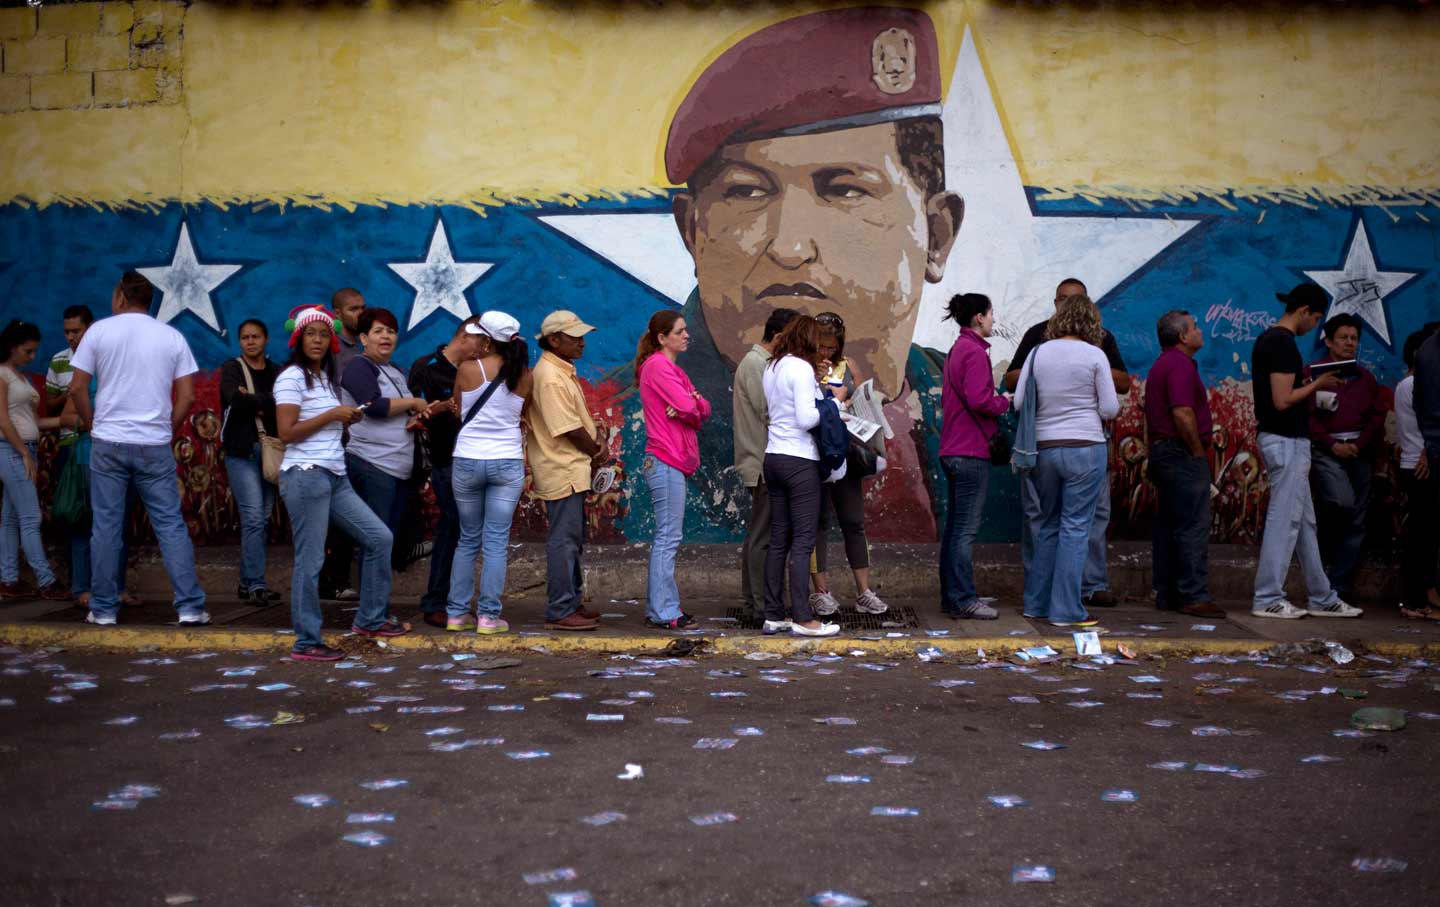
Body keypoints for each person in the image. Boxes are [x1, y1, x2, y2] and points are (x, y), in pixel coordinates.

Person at [618, 6, 964, 544]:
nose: (791, 246)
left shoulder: (962, 405)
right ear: (692, 231)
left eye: (845, 188)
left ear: (936, 236)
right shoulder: (618, 431)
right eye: (747, 191)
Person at [70, 271, 208, 627]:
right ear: (151, 300)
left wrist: (92, 424)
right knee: (171, 526)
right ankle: (190, 607)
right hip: (154, 444)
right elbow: (188, 396)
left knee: (106, 527)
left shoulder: (98, 332)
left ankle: (102, 610)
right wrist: (167, 428)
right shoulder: (172, 336)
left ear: (119, 296)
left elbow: (77, 388)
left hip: (108, 442)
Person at [274, 305, 406, 661]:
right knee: (311, 559)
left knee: (379, 537)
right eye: (310, 335)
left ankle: (371, 620)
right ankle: (306, 641)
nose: (317, 341)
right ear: (297, 339)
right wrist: (333, 414)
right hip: (306, 476)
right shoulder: (291, 378)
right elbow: (286, 433)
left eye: (323, 335)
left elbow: (323, 425)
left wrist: (344, 421)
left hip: (335, 475)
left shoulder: (326, 380)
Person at [1005, 277, 1130, 610]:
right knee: (1076, 527)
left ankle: (1036, 604)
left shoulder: (1036, 353)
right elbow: (1109, 408)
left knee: (1045, 525)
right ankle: (1067, 608)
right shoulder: (1095, 354)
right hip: (1084, 446)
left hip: (1042, 448)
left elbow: (1018, 403)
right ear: (1090, 317)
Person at [1250, 283, 1361, 619]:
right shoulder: (1282, 343)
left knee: (1304, 524)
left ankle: (1322, 596)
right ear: (1303, 312)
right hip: (1285, 441)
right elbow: (1282, 400)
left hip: (1287, 441)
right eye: (1315, 318)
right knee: (1285, 521)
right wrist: (1318, 384)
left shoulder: (1271, 340)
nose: (1316, 325)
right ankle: (1268, 596)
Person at [339, 308, 441, 579]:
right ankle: (372, 615)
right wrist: (413, 402)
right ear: (363, 338)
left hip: (398, 468)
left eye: (391, 331)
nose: (386, 336)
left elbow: (397, 411)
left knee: (387, 539)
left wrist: (418, 414)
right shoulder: (359, 366)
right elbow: (373, 406)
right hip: (373, 465)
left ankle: (377, 611)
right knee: (375, 541)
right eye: (378, 331)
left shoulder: (394, 370)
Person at [447, 313, 530, 635]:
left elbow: (458, 408)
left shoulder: (467, 369)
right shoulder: (525, 375)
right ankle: (488, 618)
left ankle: (456, 614)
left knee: (467, 539)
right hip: (507, 461)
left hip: (467, 459)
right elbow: (522, 413)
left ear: (485, 340)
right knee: (495, 542)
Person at [528, 310, 608, 631]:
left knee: (572, 539)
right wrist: (596, 451)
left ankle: (570, 602)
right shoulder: (549, 376)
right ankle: (561, 608)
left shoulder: (561, 371)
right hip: (562, 467)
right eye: (574, 336)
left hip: (571, 468)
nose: (582, 342)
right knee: (564, 540)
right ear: (553, 340)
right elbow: (568, 428)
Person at [761, 316, 840, 638]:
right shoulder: (802, 369)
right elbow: (808, 419)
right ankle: (803, 618)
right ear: (809, 341)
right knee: (803, 541)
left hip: (773, 457)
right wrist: (834, 405)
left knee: (778, 539)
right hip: (799, 460)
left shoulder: (773, 366)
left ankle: (773, 614)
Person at [808, 312, 889, 617]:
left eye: (832, 347)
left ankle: (864, 591)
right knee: (818, 524)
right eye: (822, 346)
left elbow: (860, 401)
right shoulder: (804, 368)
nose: (827, 352)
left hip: (847, 454)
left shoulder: (849, 365)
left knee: (853, 522)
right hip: (816, 455)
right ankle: (821, 592)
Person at [1144, 310, 1223, 619]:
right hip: (1181, 454)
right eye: (1195, 327)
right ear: (1183, 336)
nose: (1200, 331)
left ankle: (1169, 593)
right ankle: (1194, 595)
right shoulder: (1178, 366)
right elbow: (1182, 413)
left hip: (1165, 454)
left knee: (1169, 526)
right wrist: (1197, 453)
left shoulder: (1163, 365)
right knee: (1192, 525)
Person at [407, 317, 485, 629]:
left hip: (473, 458)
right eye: (482, 341)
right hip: (444, 461)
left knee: (465, 532)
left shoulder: (477, 371)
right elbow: (415, 414)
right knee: (453, 528)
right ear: (467, 336)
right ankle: (437, 601)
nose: (485, 349)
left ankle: (456, 599)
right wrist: (440, 407)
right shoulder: (426, 367)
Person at [637, 310, 711, 631]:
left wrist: (690, 404)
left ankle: (664, 609)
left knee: (668, 536)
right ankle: (665, 611)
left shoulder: (673, 370)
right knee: (668, 537)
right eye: (679, 332)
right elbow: (686, 407)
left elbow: (701, 408)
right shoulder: (657, 367)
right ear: (662, 338)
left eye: (685, 330)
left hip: (672, 460)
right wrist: (689, 406)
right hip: (665, 459)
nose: (686, 335)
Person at [937, 294, 1009, 620]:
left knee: (954, 530)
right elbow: (980, 400)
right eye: (991, 314)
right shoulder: (976, 352)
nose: (994, 319)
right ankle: (964, 598)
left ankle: (952, 597)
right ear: (979, 317)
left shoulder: (957, 349)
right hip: (970, 452)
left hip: (952, 449)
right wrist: (1006, 402)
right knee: (965, 531)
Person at [1307, 314, 1385, 600]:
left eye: (1354, 339)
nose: (1350, 343)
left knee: (1357, 519)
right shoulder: (1313, 373)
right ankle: (1322, 559)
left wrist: (1360, 443)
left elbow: (1377, 416)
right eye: (1343, 337)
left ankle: (1339, 584)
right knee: (1341, 502)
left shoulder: (1366, 379)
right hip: (1326, 452)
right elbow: (1308, 417)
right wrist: (1330, 444)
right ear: (1328, 341)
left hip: (1359, 452)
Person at [733, 307, 798, 621]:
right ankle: (760, 607)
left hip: (760, 460)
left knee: (758, 536)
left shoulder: (761, 363)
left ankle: (754, 602)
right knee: (764, 538)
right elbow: (771, 412)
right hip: (762, 462)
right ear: (780, 337)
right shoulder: (757, 365)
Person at [0, 320, 68, 601]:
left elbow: (33, 421)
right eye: (28, 351)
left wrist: (64, 420)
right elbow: (3, 420)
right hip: (10, 449)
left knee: (10, 518)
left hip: (23, 447)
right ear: (13, 347)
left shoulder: (20, 377)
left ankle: (8, 580)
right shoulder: (2, 375)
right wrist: (24, 452)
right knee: (31, 517)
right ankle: (46, 581)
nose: (32, 357)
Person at [219, 318, 281, 604]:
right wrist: (264, 400)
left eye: (256, 336)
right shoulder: (232, 368)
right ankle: (256, 584)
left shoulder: (276, 371)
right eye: (245, 337)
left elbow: (284, 403)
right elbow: (234, 399)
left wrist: (253, 399)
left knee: (263, 517)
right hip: (241, 452)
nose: (250, 341)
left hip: (269, 451)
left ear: (266, 339)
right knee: (254, 517)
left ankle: (247, 583)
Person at [44, 304, 101, 604]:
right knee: (77, 517)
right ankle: (82, 587)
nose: (71, 337)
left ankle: (108, 586)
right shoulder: (60, 361)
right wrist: (75, 389)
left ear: (89, 328)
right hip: (71, 448)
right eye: (66, 331)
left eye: (76, 331)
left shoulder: (103, 357)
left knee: (105, 519)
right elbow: (50, 405)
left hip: (100, 447)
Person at [319, 287, 368, 600]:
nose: (360, 313)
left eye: (363, 307)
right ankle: (331, 580)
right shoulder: (333, 351)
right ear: (337, 314)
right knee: (336, 515)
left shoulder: (364, 348)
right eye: (353, 309)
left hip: (364, 441)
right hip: (336, 439)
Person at [1395, 327, 1439, 620]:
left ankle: (1423, 594)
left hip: (1419, 463)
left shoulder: (1407, 385)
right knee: (1422, 537)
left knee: (1424, 536)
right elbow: (1426, 424)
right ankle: (1415, 599)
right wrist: (1429, 451)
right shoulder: (1413, 386)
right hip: (1421, 466)